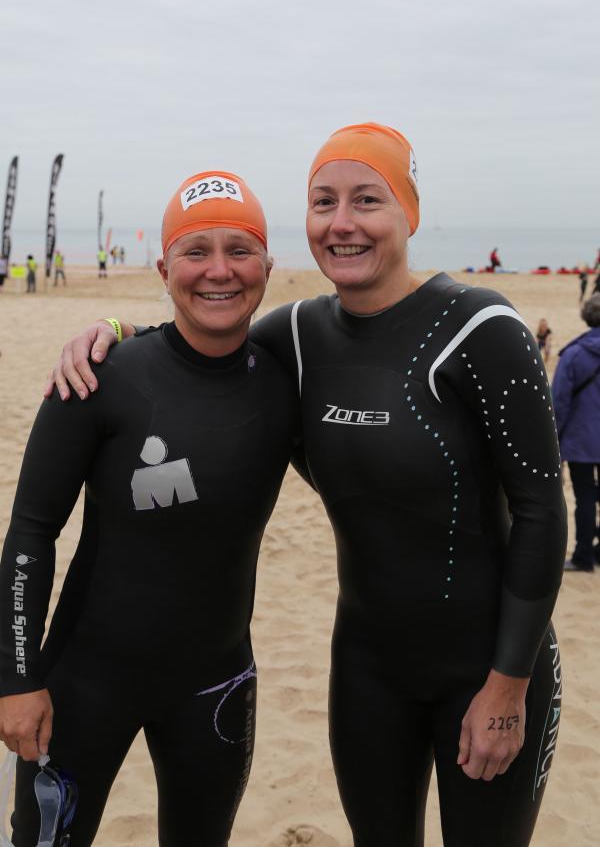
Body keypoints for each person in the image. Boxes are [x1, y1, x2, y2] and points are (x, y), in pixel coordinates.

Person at [44, 123, 567, 847]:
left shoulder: (482, 328)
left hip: (490, 667)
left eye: (367, 200)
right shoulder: (297, 335)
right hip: (367, 670)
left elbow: (544, 514)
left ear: (407, 213)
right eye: (324, 202)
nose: (343, 223)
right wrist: (107, 328)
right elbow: (191, 341)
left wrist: (508, 689)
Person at [0, 171, 298, 845]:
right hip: (83, 688)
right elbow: (31, 534)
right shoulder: (98, 378)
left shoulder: (287, 383)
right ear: (164, 268)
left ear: (267, 266)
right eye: (195, 252)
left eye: (239, 250)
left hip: (218, 689)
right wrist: (15, 679)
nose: (218, 271)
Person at [552, 293, 600, 572]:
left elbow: (559, 402)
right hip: (583, 438)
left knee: (585, 497)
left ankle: (583, 556)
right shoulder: (573, 353)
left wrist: (554, 441)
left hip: (581, 439)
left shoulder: (574, 354)